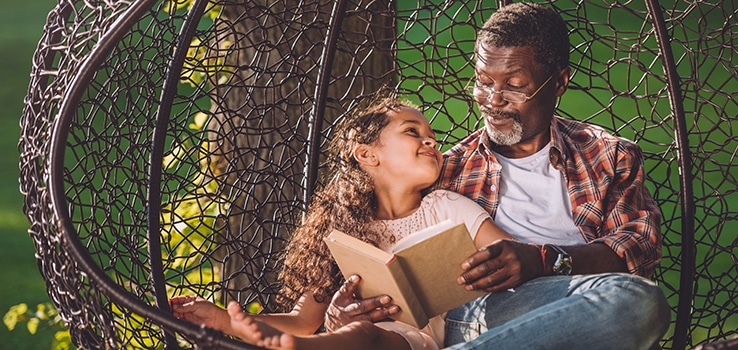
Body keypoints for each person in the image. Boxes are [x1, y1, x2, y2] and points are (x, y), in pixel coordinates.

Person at [323, 3, 671, 349]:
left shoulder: (607, 155)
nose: (493, 100)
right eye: (483, 82)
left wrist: (543, 260)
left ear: (559, 82)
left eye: (515, 85)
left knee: (637, 301)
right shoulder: (446, 171)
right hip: (481, 315)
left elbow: (636, 248)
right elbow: (366, 228)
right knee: (637, 307)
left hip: (576, 307)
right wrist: (340, 312)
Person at [170, 95, 519, 349]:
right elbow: (303, 320)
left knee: (368, 335)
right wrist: (223, 320)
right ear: (368, 155)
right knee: (363, 334)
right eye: (412, 131)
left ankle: (293, 348)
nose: (430, 139)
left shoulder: (448, 207)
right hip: (363, 339)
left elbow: (514, 255)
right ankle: (290, 346)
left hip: (424, 339)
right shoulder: (346, 231)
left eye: (431, 135)